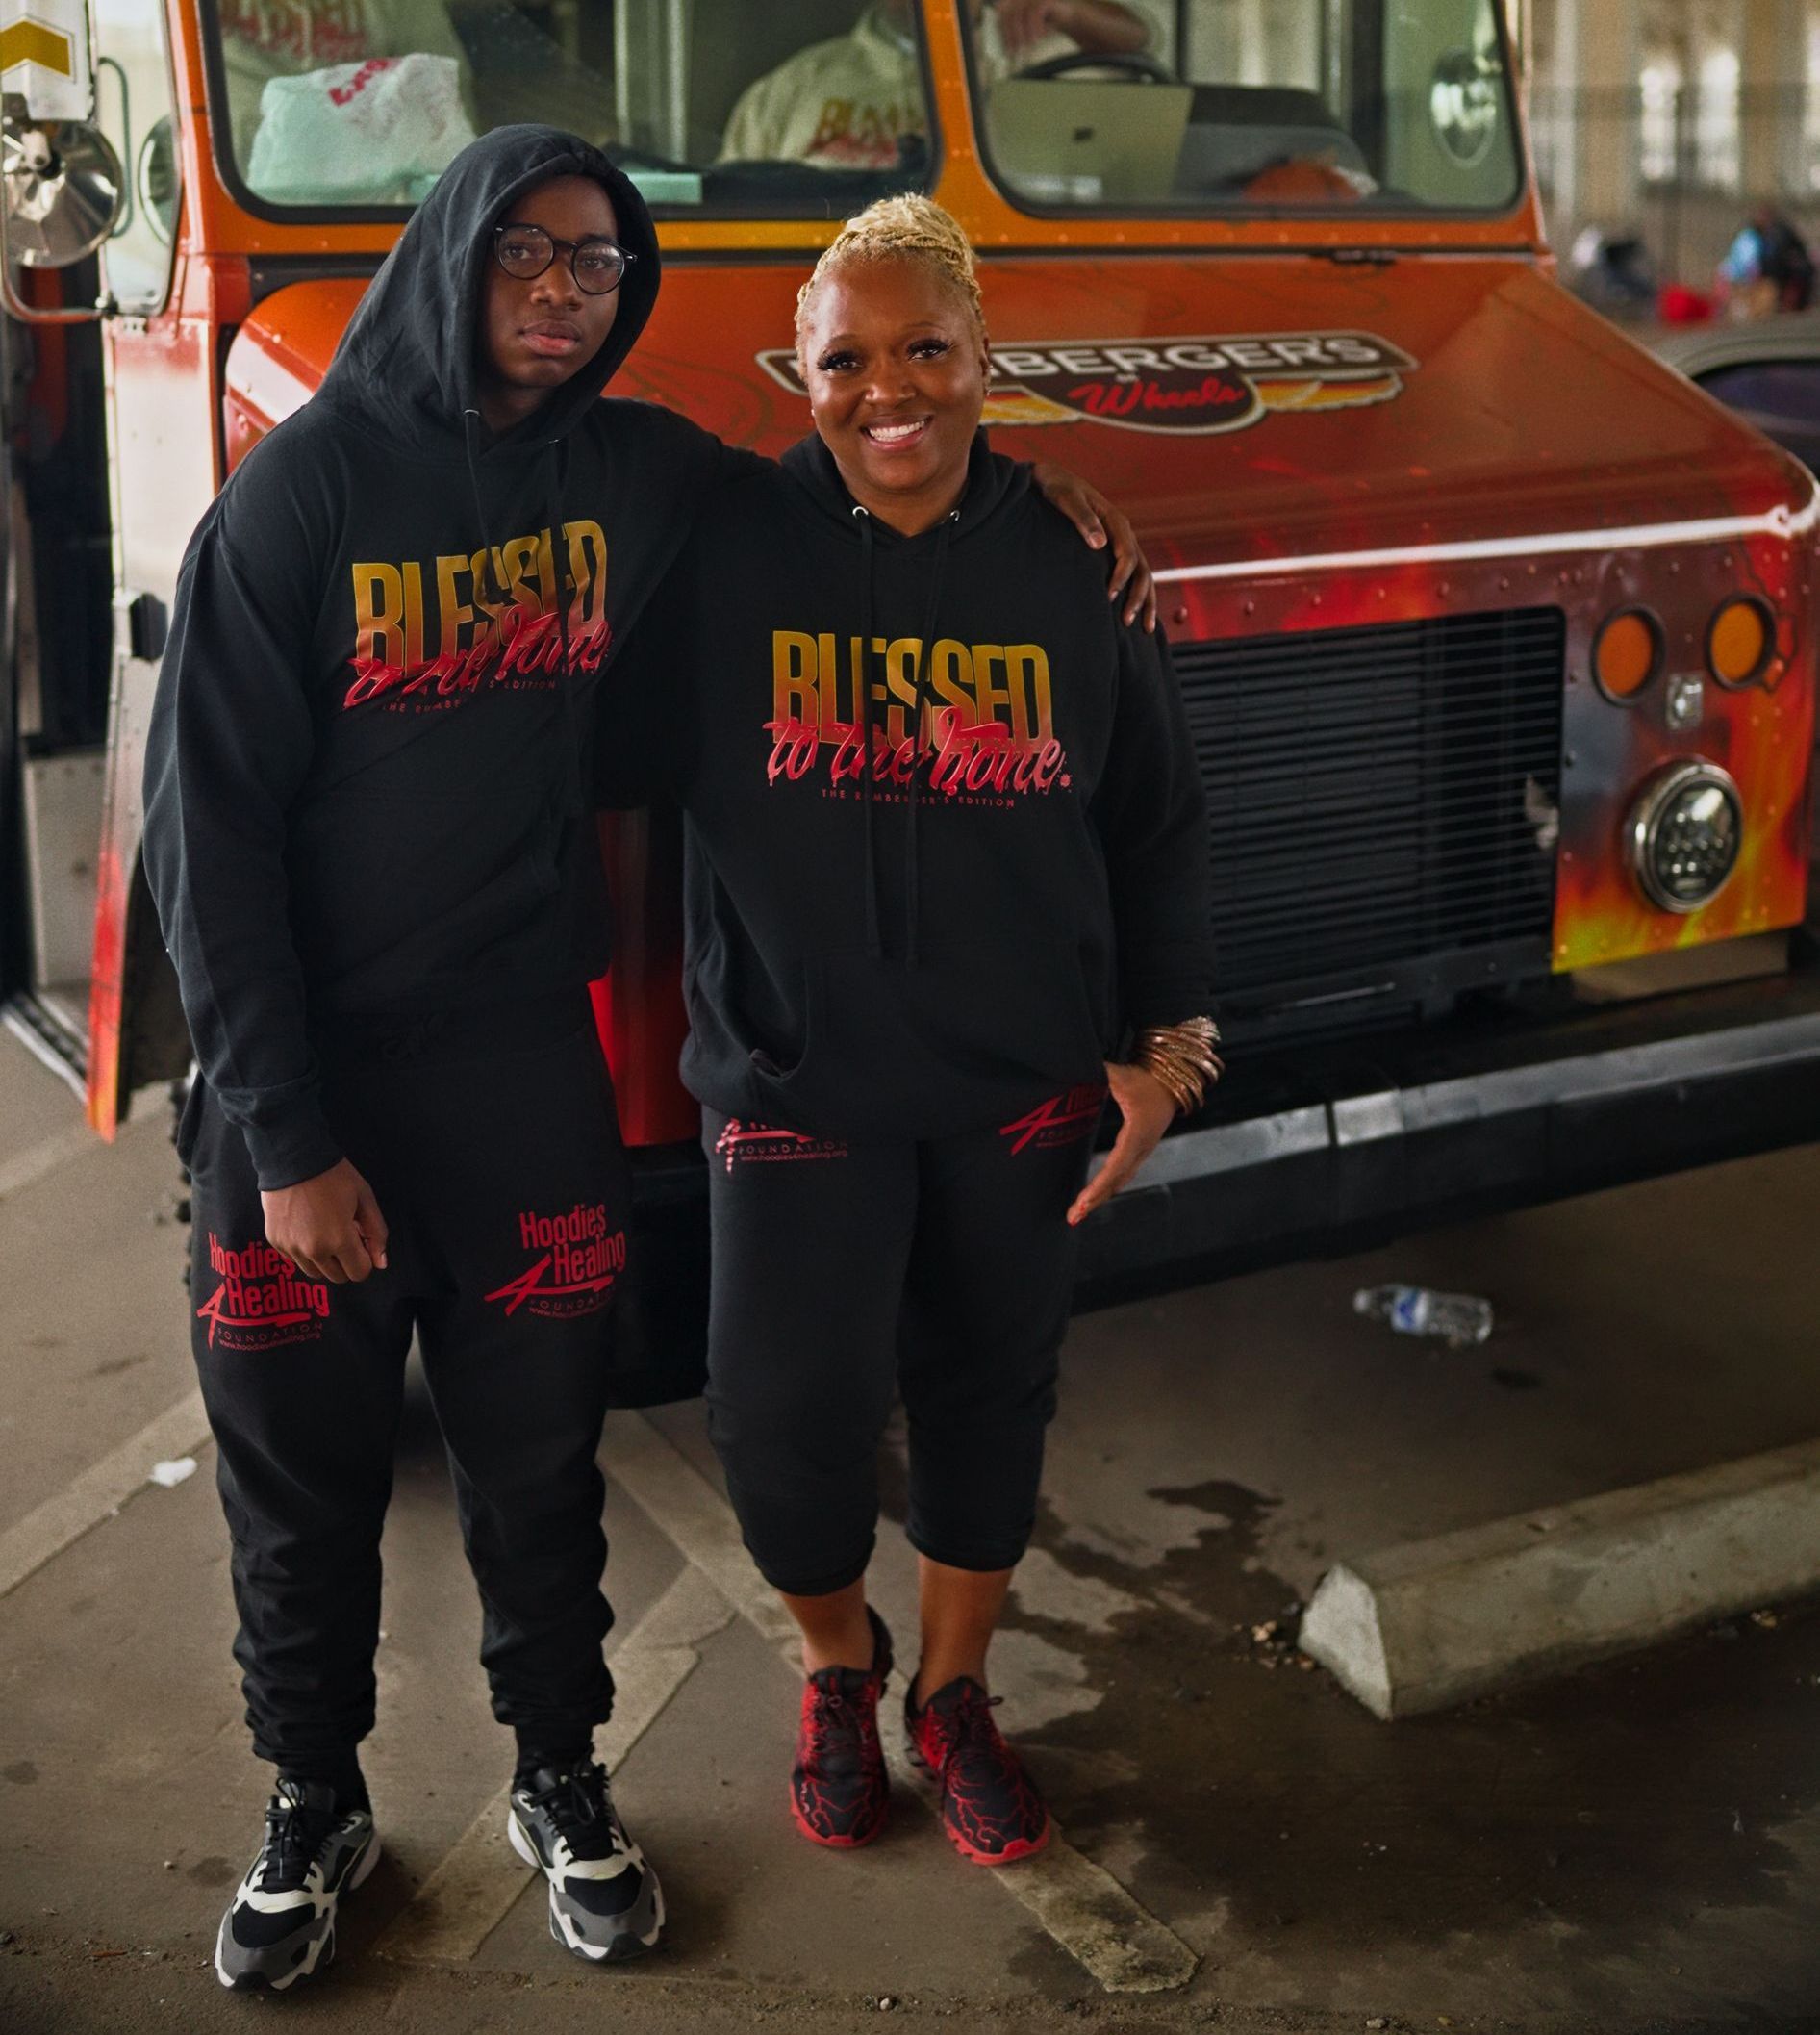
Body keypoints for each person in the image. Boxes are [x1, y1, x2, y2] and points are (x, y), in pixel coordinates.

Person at [144, 125, 1154, 1991]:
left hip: (520, 1064)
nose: (557, 290)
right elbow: (205, 846)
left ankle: (559, 1779)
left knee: (541, 1469)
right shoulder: (296, 504)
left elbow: (873, 466)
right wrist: (282, 1133)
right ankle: (311, 1798)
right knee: (303, 1487)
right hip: (302, 1094)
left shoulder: (638, 473)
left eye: (599, 267)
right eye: (525, 251)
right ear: (451, 251)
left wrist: (1052, 502)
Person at [602, 195, 1218, 1866]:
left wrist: (1165, 1060)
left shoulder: (1072, 566)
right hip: (797, 1081)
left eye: (926, 350)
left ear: (984, 360)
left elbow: (1154, 826)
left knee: (985, 1401)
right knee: (775, 1417)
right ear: (796, 374)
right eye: (847, 360)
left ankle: (951, 1694)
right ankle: (837, 1661)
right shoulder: (721, 552)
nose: (891, 391)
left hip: (1015, 1087)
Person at [720, 0, 1157, 170]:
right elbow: (731, 197)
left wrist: (1070, 11)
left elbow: (1139, 44)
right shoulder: (793, 86)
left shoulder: (1042, 64)